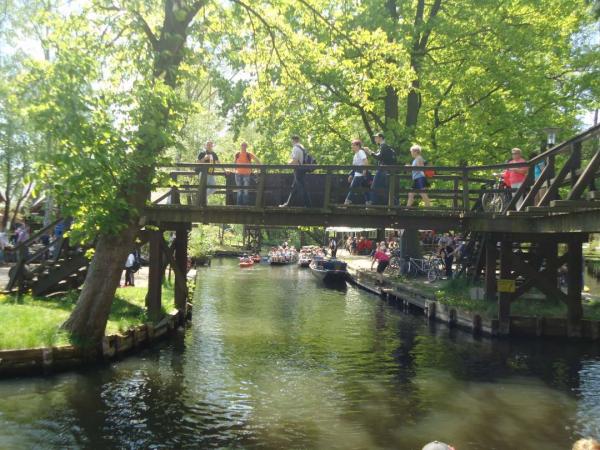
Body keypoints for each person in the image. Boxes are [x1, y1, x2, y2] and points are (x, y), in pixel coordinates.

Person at [279, 136, 312, 207]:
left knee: (303, 188)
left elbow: (295, 160)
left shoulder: (295, 148)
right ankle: (288, 204)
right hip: (302, 169)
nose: (291, 142)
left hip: (298, 170)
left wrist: (288, 164)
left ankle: (309, 206)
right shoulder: (302, 147)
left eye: (291, 141)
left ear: (293, 140)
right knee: (294, 188)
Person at [365, 132, 396, 205]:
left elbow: (379, 157)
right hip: (384, 170)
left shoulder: (384, 146)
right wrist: (370, 152)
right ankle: (395, 203)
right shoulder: (383, 146)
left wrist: (369, 152)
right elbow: (379, 156)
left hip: (382, 170)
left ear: (381, 138)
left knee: (374, 186)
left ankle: (372, 203)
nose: (375, 139)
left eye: (376, 137)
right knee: (383, 189)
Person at [344, 139, 369, 205]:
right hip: (357, 174)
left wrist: (364, 170)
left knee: (352, 188)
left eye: (353, 145)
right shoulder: (356, 154)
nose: (352, 146)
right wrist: (351, 174)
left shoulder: (360, 152)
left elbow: (365, 161)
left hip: (360, 174)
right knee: (365, 189)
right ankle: (369, 203)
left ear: (358, 146)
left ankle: (346, 203)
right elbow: (354, 167)